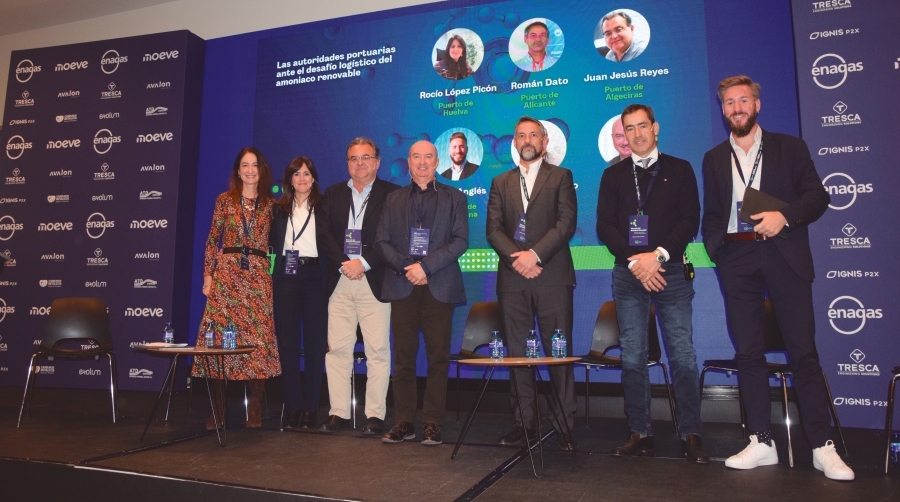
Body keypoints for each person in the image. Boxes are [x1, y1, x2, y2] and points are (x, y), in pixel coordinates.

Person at [701, 75, 854, 480]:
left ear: (757, 104)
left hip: (783, 252)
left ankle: (822, 446)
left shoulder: (790, 147)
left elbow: (818, 196)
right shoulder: (714, 158)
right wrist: (719, 248)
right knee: (748, 353)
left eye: (743, 100)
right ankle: (760, 441)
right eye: (729, 103)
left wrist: (783, 216)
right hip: (737, 257)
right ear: (723, 110)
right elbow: (712, 213)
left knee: (802, 351)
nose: (736, 108)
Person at [596, 104, 707, 463]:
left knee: (683, 355)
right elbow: (605, 226)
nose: (637, 134)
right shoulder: (612, 176)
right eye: (629, 128)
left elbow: (690, 220)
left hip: (671, 271)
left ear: (655, 128)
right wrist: (635, 260)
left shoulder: (680, 169)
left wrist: (656, 257)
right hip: (628, 274)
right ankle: (640, 431)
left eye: (643, 126)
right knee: (632, 356)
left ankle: (691, 433)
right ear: (623, 135)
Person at [486, 116, 577, 451]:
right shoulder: (500, 181)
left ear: (544, 141)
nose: (527, 140)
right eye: (521, 135)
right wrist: (518, 259)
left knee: (557, 353)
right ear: (514, 142)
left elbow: (566, 223)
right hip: (513, 279)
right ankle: (524, 422)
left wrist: (534, 256)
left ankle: (564, 423)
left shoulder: (562, 176)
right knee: (517, 354)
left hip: (552, 275)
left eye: (533, 135)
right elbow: (493, 229)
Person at [374, 140, 469, 446]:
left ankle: (432, 422)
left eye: (429, 156)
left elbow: (460, 240)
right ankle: (404, 421)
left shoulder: (455, 197)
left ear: (437, 160)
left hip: (438, 285)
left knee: (437, 358)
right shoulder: (393, 198)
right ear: (409, 161)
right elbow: (381, 241)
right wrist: (407, 267)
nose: (423, 162)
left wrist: (425, 268)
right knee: (402, 358)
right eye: (417, 156)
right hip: (403, 285)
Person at [194, 147, 281, 430]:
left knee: (258, 342)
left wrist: (272, 277)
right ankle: (218, 410)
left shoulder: (271, 205)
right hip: (227, 277)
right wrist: (208, 276)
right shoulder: (224, 201)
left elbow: (278, 245)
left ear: (262, 169)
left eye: (255, 165)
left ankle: (254, 408)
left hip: (257, 277)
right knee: (217, 341)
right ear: (237, 170)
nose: (250, 170)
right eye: (245, 165)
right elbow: (211, 241)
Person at [318, 138, 400, 435]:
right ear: (347, 163)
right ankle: (338, 412)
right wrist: (345, 263)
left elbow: (393, 237)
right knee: (337, 349)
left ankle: (375, 415)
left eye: (366, 157)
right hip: (340, 281)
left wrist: (363, 263)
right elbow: (324, 235)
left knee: (378, 350)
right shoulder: (333, 193)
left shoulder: (393, 194)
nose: (360, 163)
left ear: (377, 162)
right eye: (354, 158)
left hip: (374, 279)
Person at [269, 156, 329, 430]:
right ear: (289, 180)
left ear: (314, 177)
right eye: (296, 174)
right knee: (288, 346)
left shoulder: (325, 206)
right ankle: (292, 407)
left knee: (316, 347)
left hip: (315, 277)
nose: (302, 178)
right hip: (286, 279)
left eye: (306, 173)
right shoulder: (278, 210)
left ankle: (311, 409)